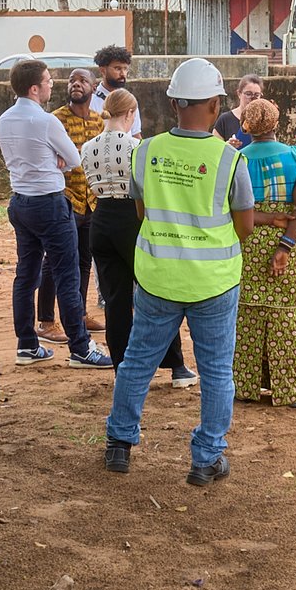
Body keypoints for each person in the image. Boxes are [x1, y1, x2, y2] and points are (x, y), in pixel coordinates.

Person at [104, 58, 256, 486]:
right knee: (216, 372)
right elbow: (244, 226)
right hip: (214, 283)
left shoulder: (145, 151)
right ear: (215, 105)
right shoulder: (230, 161)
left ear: (174, 104)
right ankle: (206, 458)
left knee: (136, 362)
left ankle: (119, 443)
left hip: (157, 279)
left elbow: (141, 210)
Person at [0, 59, 113, 369]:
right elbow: (74, 158)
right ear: (35, 88)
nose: (51, 85)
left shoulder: (5, 119)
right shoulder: (47, 121)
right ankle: (80, 347)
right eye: (47, 81)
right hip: (49, 201)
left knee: (27, 274)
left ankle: (27, 344)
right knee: (67, 274)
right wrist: (56, 158)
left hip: (21, 200)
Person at [81, 87, 197, 387]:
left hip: (100, 221)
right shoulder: (137, 147)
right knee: (157, 290)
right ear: (130, 114)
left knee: (116, 300)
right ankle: (177, 366)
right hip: (131, 221)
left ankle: (122, 368)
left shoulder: (87, 146)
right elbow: (148, 190)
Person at [234, 98, 296, 408]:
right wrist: (284, 246)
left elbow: (235, 209)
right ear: (276, 124)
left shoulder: (238, 160)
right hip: (286, 242)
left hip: (248, 243)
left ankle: (246, 387)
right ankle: (289, 390)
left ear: (246, 127)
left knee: (248, 317)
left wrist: (265, 218)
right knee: (285, 317)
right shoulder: (295, 156)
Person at [37, 67, 106, 341]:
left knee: (84, 260)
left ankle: (77, 314)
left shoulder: (99, 121)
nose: (76, 85)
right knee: (54, 260)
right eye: (72, 81)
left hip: (91, 200)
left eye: (82, 81)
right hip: (65, 198)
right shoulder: (55, 120)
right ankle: (45, 321)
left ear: (93, 86)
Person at [90, 44, 141, 136]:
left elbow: (136, 134)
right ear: (103, 71)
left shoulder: (129, 101)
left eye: (125, 69)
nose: (123, 74)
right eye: (117, 68)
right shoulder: (91, 102)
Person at [215, 74, 264, 148]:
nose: (252, 98)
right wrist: (227, 146)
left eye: (257, 95)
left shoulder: (265, 120)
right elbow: (214, 149)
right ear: (239, 94)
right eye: (248, 94)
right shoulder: (225, 119)